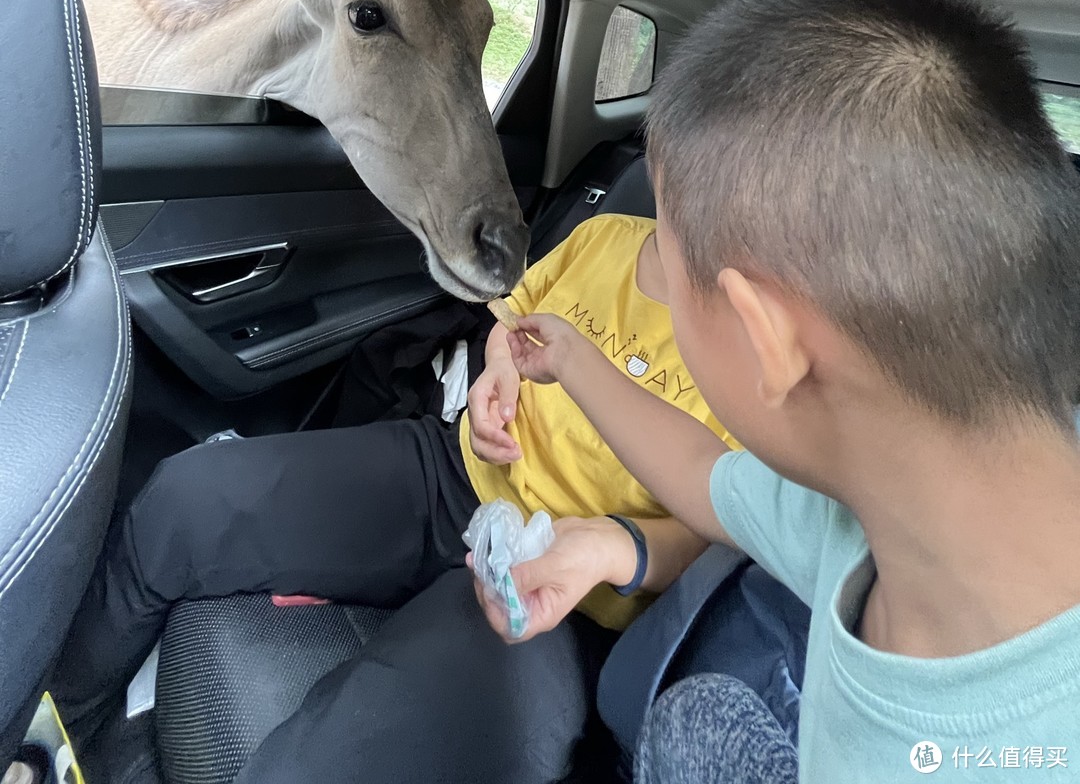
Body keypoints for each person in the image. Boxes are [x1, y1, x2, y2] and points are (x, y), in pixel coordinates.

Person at [478, 0, 1080, 781]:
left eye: (677, 280)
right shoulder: (876, 501)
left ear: (767, 342)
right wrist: (575, 359)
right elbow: (701, 473)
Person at [53, 210, 739, 784]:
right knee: (189, 499)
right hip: (454, 476)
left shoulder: (761, 344)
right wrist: (497, 372)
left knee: (334, 760)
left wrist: (612, 546)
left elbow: (738, 526)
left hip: (565, 598)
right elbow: (514, 322)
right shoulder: (609, 236)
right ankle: (53, 727)